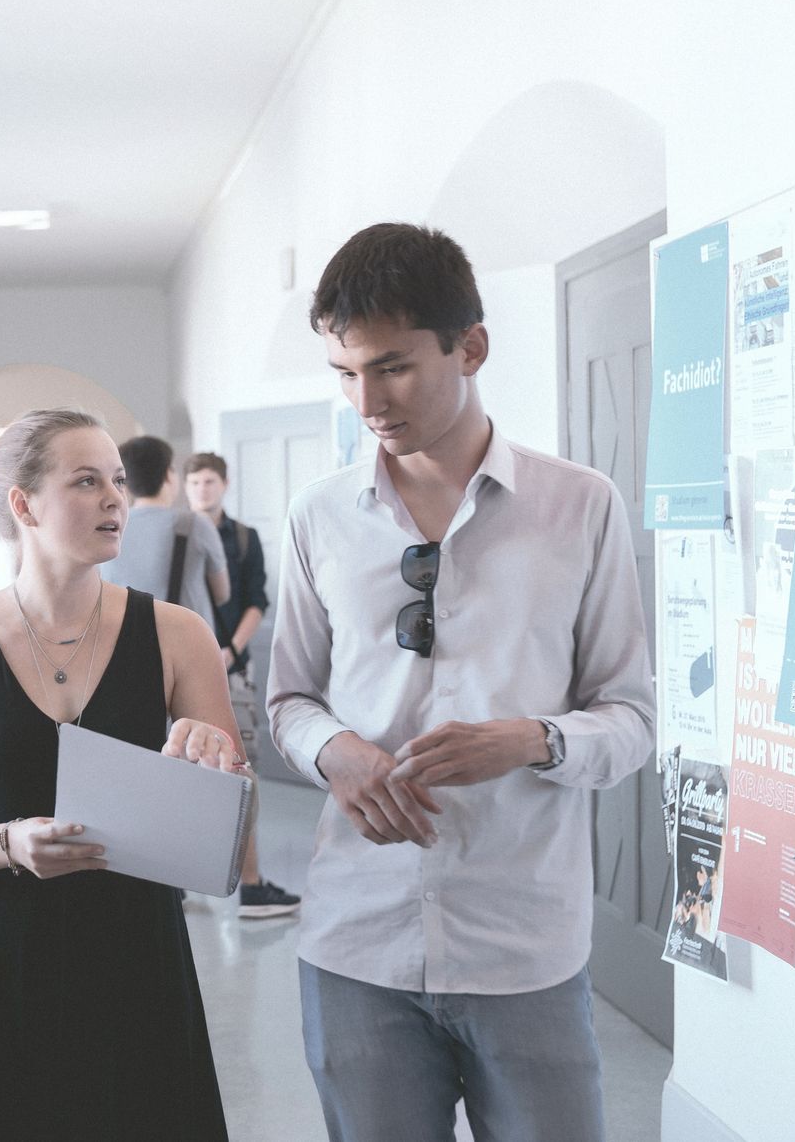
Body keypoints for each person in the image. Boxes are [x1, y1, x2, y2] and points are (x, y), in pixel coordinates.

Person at [166, 224, 653, 1139]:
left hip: (525, 944)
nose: (367, 401)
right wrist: (336, 752)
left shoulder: (580, 505)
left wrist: (533, 740)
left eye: (391, 368)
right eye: (344, 374)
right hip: (357, 939)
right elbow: (289, 702)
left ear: (470, 345)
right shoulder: (318, 516)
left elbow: (630, 717)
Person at [0, 408, 245, 1141]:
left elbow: (236, 856)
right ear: (22, 504)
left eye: (118, 480)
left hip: (135, 961)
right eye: (86, 482)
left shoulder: (179, 634)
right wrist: (9, 842)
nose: (116, 499)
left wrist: (207, 777)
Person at [184, 452, 301, 918]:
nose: (201, 490)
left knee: (237, 766)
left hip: (233, 664)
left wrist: (230, 649)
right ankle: (178, 878)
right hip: (183, 665)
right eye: (194, 482)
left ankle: (250, 883)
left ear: (224, 485)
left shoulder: (244, 538)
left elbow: (257, 600)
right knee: (176, 771)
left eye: (209, 481)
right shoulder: (176, 534)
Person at [101, 434, 229, 633]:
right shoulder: (194, 524)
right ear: (169, 475)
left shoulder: (109, 526)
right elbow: (222, 594)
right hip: (190, 645)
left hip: (125, 644)